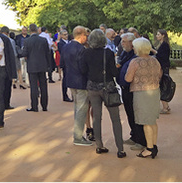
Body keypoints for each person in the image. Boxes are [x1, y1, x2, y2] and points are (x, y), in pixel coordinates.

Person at [82, 29, 126, 158]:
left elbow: (83, 70)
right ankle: (120, 149)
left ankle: (99, 145)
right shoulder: (108, 53)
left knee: (96, 117)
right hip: (108, 87)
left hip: (92, 88)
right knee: (115, 119)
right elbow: (113, 72)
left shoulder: (86, 53)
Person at [125, 37, 163, 159]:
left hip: (141, 93)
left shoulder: (135, 62)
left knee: (146, 122)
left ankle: (149, 148)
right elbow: (160, 74)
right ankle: (154, 145)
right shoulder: (155, 61)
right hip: (154, 91)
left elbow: (128, 79)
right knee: (152, 121)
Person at [60, 26, 92, 146]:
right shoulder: (82, 49)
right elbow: (84, 68)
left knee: (77, 108)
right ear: (82, 35)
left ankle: (78, 135)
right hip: (81, 82)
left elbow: (62, 64)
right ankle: (78, 137)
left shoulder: (66, 47)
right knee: (81, 109)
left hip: (70, 80)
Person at [117, 32, 146, 150]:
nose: (122, 43)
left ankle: (141, 140)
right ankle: (134, 136)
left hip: (133, 89)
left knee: (136, 115)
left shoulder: (137, 56)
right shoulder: (125, 53)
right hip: (125, 89)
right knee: (129, 113)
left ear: (131, 43)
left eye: (124, 41)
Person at [20, 23, 52, 112]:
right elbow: (47, 53)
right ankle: (44, 106)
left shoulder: (27, 41)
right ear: (37, 29)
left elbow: (24, 53)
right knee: (43, 86)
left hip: (32, 66)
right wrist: (48, 65)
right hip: (42, 65)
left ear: (30, 30)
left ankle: (35, 106)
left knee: (34, 87)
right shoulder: (43, 40)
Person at [153, 29, 171, 114]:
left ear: (163, 35)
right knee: (163, 86)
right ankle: (166, 106)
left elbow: (161, 56)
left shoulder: (164, 45)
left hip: (163, 67)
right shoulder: (163, 44)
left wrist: (154, 51)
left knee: (163, 86)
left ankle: (165, 107)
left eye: (158, 34)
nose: (157, 36)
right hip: (163, 67)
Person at [57, 29, 72, 101]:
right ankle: (64, 95)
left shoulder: (69, 42)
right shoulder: (60, 43)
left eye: (67, 34)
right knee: (65, 79)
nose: (66, 36)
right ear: (61, 35)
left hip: (71, 63)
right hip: (65, 63)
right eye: (65, 34)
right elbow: (62, 52)